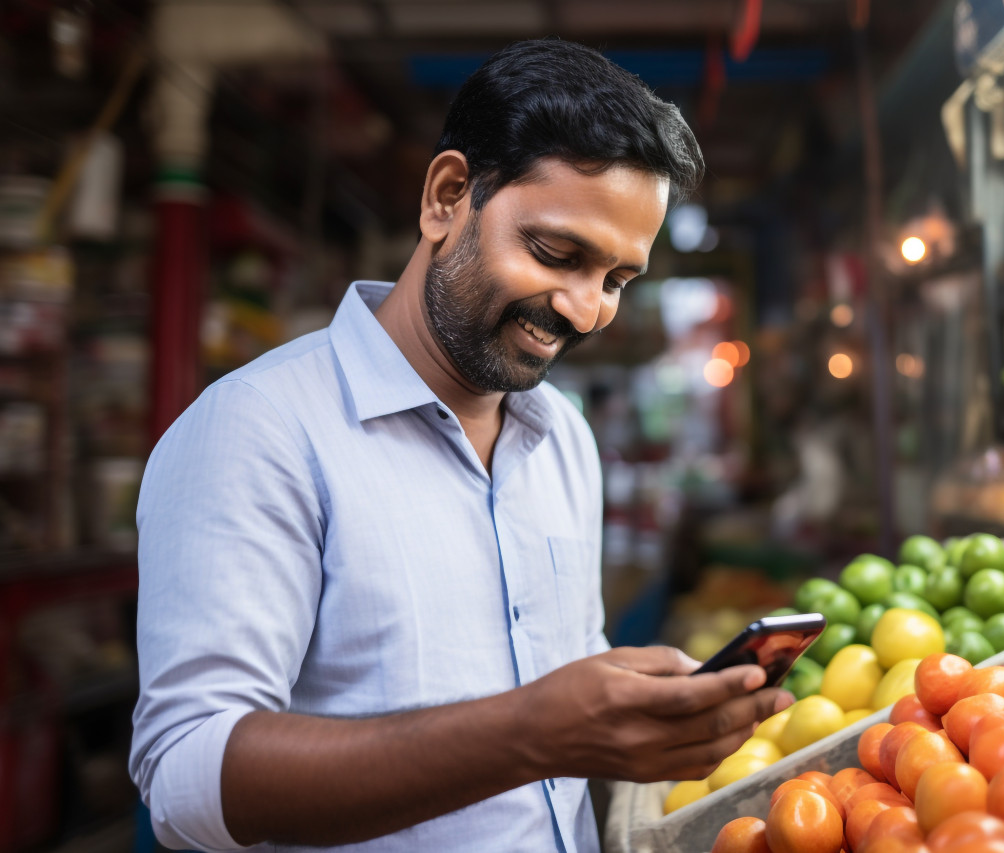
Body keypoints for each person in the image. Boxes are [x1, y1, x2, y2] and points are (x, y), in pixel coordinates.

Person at [129, 38, 790, 853]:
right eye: (556, 253)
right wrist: (529, 732)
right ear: (448, 197)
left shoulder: (563, 441)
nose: (585, 310)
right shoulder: (259, 430)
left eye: (618, 280)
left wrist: (645, 707)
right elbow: (186, 781)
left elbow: (563, 676)